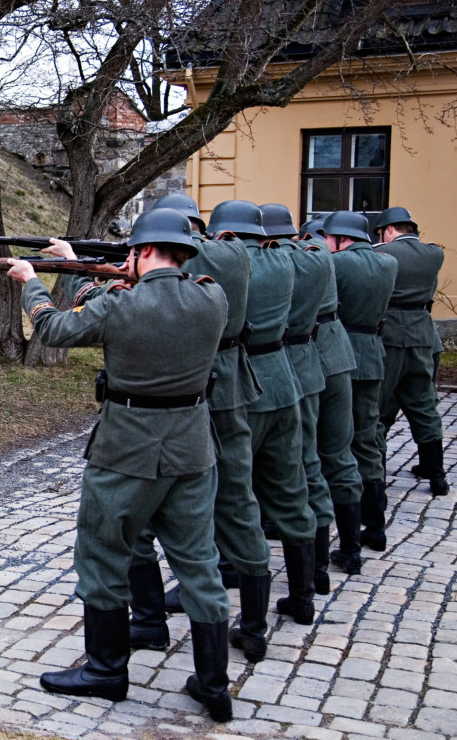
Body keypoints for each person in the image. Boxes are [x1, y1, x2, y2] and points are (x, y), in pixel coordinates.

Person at [7, 208, 233, 722]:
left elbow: (56, 330)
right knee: (198, 561)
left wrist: (33, 284)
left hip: (127, 449)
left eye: (132, 251)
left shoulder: (120, 305)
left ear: (144, 251)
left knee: (104, 553)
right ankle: (215, 683)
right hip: (192, 448)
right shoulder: (212, 297)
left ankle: (106, 671)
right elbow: (118, 301)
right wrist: (79, 265)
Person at [128, 193, 270, 665]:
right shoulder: (229, 253)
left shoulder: (215, 252)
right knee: (236, 504)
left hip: (195, 395)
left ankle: (151, 620)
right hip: (224, 388)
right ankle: (252, 625)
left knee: (149, 506)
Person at [207, 200, 318, 630]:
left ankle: (233, 592)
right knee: (290, 492)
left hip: (241, 385)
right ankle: (303, 596)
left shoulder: (230, 261)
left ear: (225, 234)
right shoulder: (286, 259)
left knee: (230, 494)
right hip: (283, 381)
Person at [261, 204, 338, 596]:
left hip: (270, 362)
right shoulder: (314, 258)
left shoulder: (265, 263)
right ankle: (316, 573)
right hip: (304, 363)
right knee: (306, 467)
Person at [323, 212, 398, 551]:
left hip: (340, 356)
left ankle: (345, 532)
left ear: (341, 239)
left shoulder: (337, 265)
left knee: (336, 443)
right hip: (372, 354)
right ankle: (376, 525)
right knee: (367, 440)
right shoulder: (387, 264)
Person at [297, 217, 366, 578]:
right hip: (338, 351)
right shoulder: (329, 259)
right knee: (339, 454)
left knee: (309, 457)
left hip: (308, 352)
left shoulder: (298, 258)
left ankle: (318, 566)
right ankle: (351, 550)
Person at [373, 207, 449, 496]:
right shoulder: (434, 254)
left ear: (389, 230)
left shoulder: (382, 253)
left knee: (377, 409)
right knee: (424, 406)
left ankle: (375, 477)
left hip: (389, 334)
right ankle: (437, 475)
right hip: (421, 334)